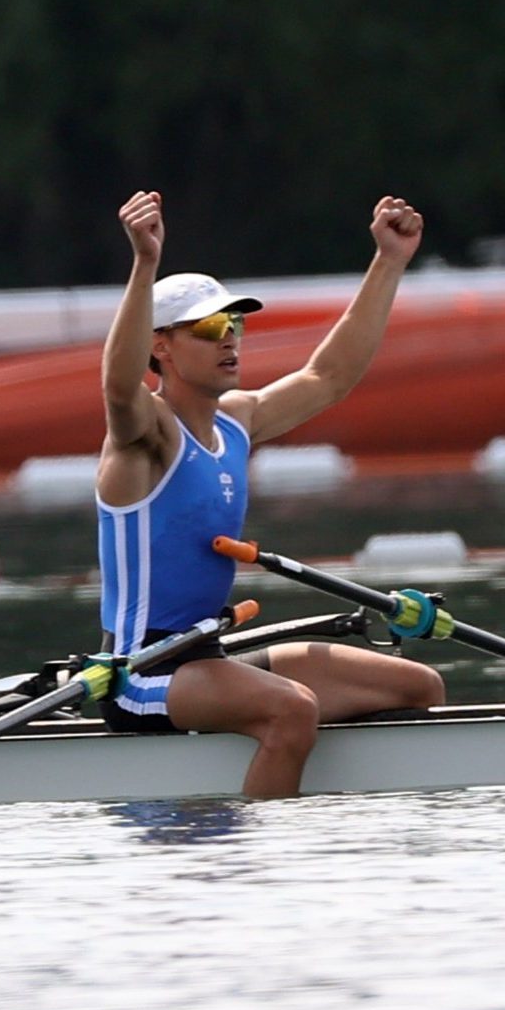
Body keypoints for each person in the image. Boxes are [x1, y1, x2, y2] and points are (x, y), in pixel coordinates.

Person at [96, 190, 446, 798]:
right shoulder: (144, 439)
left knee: (418, 688)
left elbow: (328, 377)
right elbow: (119, 389)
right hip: (138, 674)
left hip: (210, 659)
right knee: (292, 710)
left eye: (235, 324)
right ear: (161, 346)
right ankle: (265, 856)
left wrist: (389, 262)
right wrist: (144, 265)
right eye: (209, 328)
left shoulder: (238, 420)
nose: (230, 338)